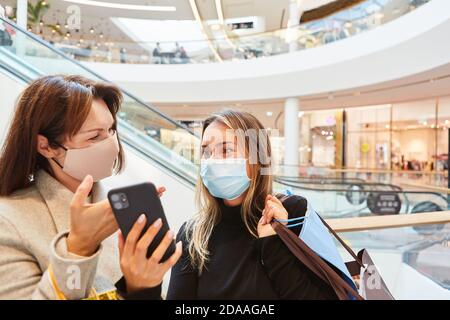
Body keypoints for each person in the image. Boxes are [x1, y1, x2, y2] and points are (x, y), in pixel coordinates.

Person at [0, 75, 182, 299]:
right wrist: (77, 249)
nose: (111, 144)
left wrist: (142, 288)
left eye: (111, 130)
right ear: (45, 146)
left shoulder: (118, 204)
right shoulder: (8, 220)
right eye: (94, 136)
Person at [167, 110, 338, 299]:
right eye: (206, 151)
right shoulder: (194, 234)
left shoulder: (293, 213)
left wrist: (274, 245)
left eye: (226, 150)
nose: (212, 160)